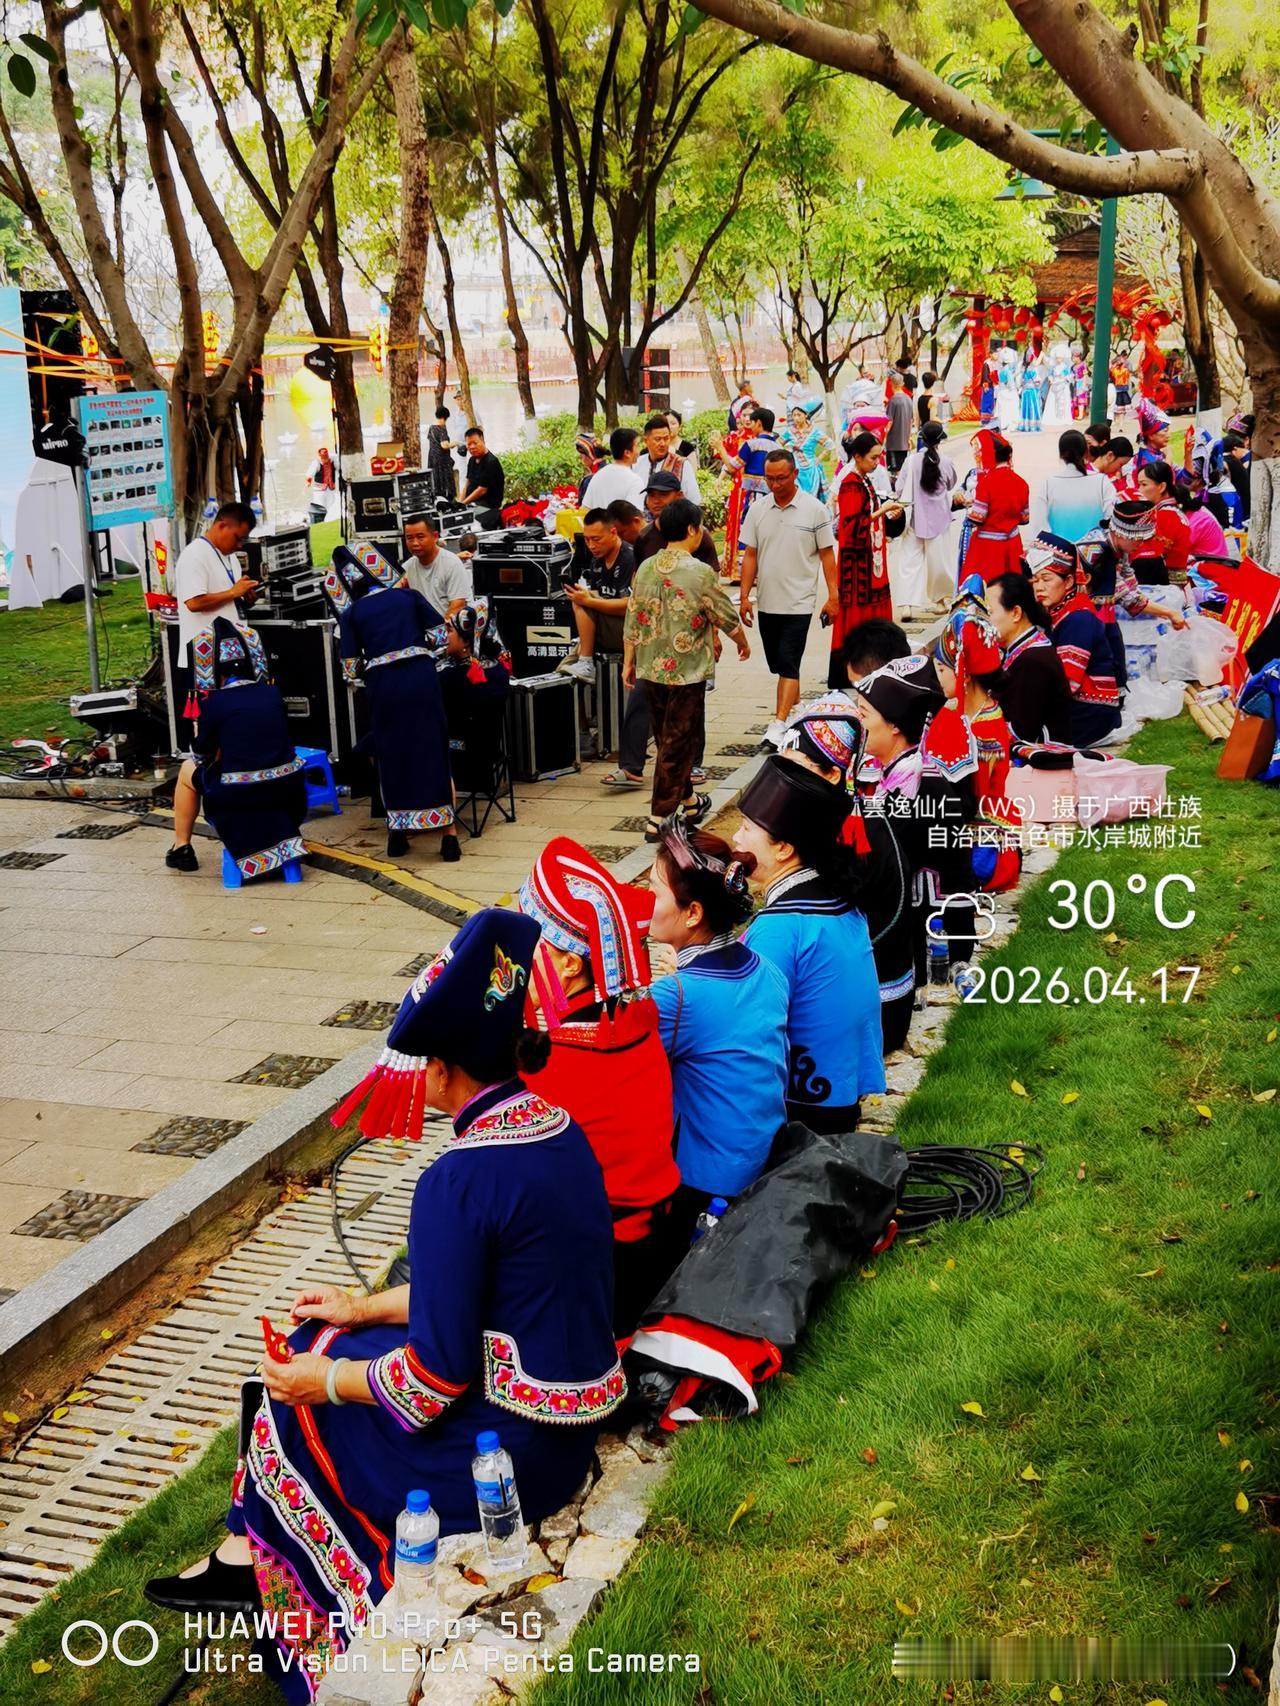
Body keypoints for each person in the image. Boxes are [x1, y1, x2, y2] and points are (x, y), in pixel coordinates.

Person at [144, 909, 624, 1695]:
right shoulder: (556, 1128)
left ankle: (278, 1592)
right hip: (563, 1429)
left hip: (509, 1460)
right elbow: (485, 1290)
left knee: (294, 1391)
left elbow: (433, 1382)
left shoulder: (457, 1179)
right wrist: (360, 1310)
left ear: (441, 1070)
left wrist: (322, 1383)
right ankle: (242, 1554)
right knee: (325, 1337)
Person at [519, 839, 682, 1335]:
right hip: (652, 1240)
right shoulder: (634, 1016)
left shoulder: (553, 1062)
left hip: (593, 1264)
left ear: (570, 964)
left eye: (528, 942)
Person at [648, 818, 789, 1239]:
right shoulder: (766, 970)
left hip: (704, 1189)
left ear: (693, 912)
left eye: (654, 893)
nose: (645, 902)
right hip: (766, 1165)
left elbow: (616, 1069)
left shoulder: (676, 997)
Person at [733, 756, 886, 1131]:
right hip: (840, 1095)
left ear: (783, 849)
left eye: (747, 828)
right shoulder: (841, 901)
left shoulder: (780, 926)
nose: (736, 838)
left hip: (802, 1112)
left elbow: (745, 1024)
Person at [771, 696, 915, 1053]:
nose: (785, 779)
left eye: (796, 766)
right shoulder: (832, 817)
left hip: (873, 1009)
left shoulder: (850, 835)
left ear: (832, 775)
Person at [849, 652, 980, 987]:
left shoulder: (921, 786)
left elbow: (881, 862)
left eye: (864, 714)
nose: (857, 722)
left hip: (929, 937)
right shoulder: (895, 773)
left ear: (894, 726)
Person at [324, 542, 459, 861]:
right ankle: (449, 838)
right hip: (422, 681)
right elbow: (440, 637)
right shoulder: (409, 597)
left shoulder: (352, 613)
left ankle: (397, 835)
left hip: (385, 687)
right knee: (433, 750)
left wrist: (376, 659)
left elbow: (350, 668)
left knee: (391, 754)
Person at [625, 498, 749, 842]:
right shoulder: (700, 572)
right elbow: (723, 613)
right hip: (687, 669)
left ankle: (691, 804)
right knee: (677, 743)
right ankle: (659, 817)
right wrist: (742, 641)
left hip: (651, 665)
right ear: (692, 529)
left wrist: (629, 659)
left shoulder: (646, 567)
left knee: (667, 738)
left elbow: (634, 615)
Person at [165, 617, 306, 878]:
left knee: (186, 771)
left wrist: (200, 733)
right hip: (288, 789)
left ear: (213, 670)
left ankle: (181, 847)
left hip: (242, 794)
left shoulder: (215, 703)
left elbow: (202, 755)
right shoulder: (272, 694)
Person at [739, 447, 839, 741]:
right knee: (780, 664)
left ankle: (778, 723)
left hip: (799, 602)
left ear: (795, 474)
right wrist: (744, 596)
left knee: (788, 662)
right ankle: (795, 710)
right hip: (768, 601)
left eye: (781, 478)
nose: (775, 484)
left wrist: (833, 597)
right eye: (769, 478)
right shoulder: (758, 510)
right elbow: (750, 555)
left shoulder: (815, 510)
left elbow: (827, 556)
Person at [930, 582, 1023, 894]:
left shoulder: (984, 730)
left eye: (941, 669)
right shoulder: (963, 713)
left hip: (981, 843)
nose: (936, 677)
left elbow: (966, 801)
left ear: (963, 674)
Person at [1027, 533, 1122, 746]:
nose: (1039, 587)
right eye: (1035, 580)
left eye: (1046, 579)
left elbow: (1067, 683)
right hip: (1083, 709)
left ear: (1069, 581)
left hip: (1090, 713)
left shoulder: (1077, 619)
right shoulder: (1059, 614)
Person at [173, 501, 260, 724]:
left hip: (230, 654)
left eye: (243, 540)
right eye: (238, 538)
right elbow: (194, 602)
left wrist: (244, 597)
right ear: (222, 525)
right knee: (210, 724)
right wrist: (233, 592)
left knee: (235, 720)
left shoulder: (230, 557)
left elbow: (226, 599)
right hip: (205, 657)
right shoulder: (194, 555)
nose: (239, 545)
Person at [829, 430, 894, 690]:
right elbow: (852, 526)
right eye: (873, 458)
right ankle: (857, 668)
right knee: (858, 616)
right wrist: (882, 511)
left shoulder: (863, 480)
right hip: (857, 568)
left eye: (879, 457)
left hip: (869, 563)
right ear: (857, 457)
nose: (877, 463)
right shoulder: (850, 484)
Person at [986, 571, 1074, 745]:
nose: (982, 620)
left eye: (989, 612)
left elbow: (1021, 733)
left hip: (1041, 755)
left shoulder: (1033, 661)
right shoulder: (1022, 650)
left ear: (1016, 613)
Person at [557, 507, 637, 683]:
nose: (591, 545)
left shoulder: (630, 558)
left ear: (613, 533)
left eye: (596, 539)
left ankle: (586, 661)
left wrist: (587, 600)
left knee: (584, 599)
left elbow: (631, 607)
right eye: (587, 540)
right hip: (606, 626)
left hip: (631, 631)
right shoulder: (596, 562)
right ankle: (582, 660)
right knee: (564, 670)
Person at [893, 419, 958, 616]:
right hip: (939, 520)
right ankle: (940, 601)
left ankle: (907, 605)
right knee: (939, 562)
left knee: (909, 562)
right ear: (939, 440)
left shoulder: (910, 461)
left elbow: (900, 488)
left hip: (913, 518)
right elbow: (951, 484)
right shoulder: (946, 461)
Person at [960, 430, 1030, 584]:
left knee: (985, 587)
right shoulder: (1021, 482)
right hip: (1012, 544)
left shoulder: (986, 482)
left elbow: (978, 518)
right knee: (1011, 587)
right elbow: (1024, 519)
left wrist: (969, 506)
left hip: (988, 547)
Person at [1037, 429, 1116, 544]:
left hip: (1058, 551)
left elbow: (1039, 526)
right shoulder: (1102, 481)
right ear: (1086, 451)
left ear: (1061, 454)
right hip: (1094, 550)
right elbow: (1111, 518)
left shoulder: (1048, 483)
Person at [632, 474, 721, 571]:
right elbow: (637, 576)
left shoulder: (698, 534)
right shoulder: (643, 537)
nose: (656, 501)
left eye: (663, 494)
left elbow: (712, 575)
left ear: (679, 496)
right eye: (651, 495)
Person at [709, 406, 755, 581]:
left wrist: (720, 447)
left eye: (751, 415)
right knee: (736, 522)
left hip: (752, 489)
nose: (747, 419)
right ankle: (736, 570)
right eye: (744, 415)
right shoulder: (735, 437)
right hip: (738, 488)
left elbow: (731, 463)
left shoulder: (756, 440)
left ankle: (751, 570)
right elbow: (727, 463)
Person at [400, 512, 471, 617]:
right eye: (409, 538)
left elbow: (457, 606)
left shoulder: (452, 564)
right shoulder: (407, 567)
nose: (415, 543)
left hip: (446, 625)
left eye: (420, 537)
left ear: (435, 536)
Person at [1134, 458, 1192, 583]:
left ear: (1161, 487)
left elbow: (1150, 554)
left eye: (1144, 485)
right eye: (1139, 485)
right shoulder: (1170, 511)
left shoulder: (1166, 515)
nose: (1139, 490)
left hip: (1165, 585)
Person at [634, 414, 699, 502]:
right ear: (646, 441)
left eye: (666, 438)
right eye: (658, 439)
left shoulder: (682, 464)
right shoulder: (637, 463)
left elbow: (694, 500)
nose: (663, 444)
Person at [782, 399, 837, 499]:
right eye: (794, 415)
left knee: (812, 497)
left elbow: (830, 444)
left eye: (799, 415)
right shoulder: (790, 431)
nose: (796, 418)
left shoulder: (814, 432)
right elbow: (779, 442)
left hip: (811, 468)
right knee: (797, 496)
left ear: (806, 415)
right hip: (795, 468)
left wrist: (819, 458)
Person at [580, 426, 645, 510]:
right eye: (637, 445)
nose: (639, 449)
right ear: (627, 453)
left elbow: (585, 509)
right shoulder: (634, 481)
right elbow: (634, 516)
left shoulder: (598, 476)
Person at [458, 425, 505, 527]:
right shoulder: (472, 460)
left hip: (487, 506)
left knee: (465, 520)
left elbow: (481, 490)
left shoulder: (491, 462)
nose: (472, 447)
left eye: (475, 443)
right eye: (469, 444)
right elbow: (467, 483)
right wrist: (459, 503)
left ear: (483, 441)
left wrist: (463, 504)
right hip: (472, 503)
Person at [884, 373, 914, 476]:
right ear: (902, 384)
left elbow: (889, 421)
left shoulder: (893, 401)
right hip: (904, 443)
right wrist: (909, 437)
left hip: (893, 444)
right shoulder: (908, 399)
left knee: (895, 473)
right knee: (902, 469)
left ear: (892, 384)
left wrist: (883, 437)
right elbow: (911, 420)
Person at [1133, 394, 1171, 471]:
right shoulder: (1145, 458)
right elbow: (1161, 477)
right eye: (1165, 431)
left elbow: (1187, 476)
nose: (1168, 435)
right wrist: (1169, 458)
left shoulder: (1160, 454)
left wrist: (1188, 453)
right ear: (1151, 435)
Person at [427, 409, 456, 501]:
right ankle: (447, 499)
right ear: (444, 417)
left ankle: (437, 497)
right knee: (445, 480)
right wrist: (454, 444)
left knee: (436, 479)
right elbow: (444, 445)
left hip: (432, 457)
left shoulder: (431, 427)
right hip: (442, 459)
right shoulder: (441, 428)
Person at [304, 446, 337, 523]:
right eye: (324, 457)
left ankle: (329, 519)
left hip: (330, 488)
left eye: (326, 457)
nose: (325, 459)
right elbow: (309, 474)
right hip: (319, 490)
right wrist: (308, 481)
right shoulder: (316, 463)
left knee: (331, 504)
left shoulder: (333, 461)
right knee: (320, 505)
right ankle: (320, 520)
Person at [574, 430, 603, 503]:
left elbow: (584, 507)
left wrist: (572, 506)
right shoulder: (609, 470)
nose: (581, 459)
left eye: (581, 456)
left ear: (590, 455)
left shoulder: (589, 480)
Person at [1018, 356, 1043, 432]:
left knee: (1025, 408)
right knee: (1033, 407)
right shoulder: (1033, 371)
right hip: (1032, 392)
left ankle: (1025, 425)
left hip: (1025, 392)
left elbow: (1021, 382)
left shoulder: (1024, 370)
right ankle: (1033, 426)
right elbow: (1037, 382)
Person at [916, 371, 939, 437]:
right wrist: (943, 421)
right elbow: (932, 418)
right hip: (931, 431)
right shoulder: (933, 400)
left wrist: (918, 430)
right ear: (933, 383)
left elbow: (917, 417)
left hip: (923, 429)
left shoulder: (919, 398)